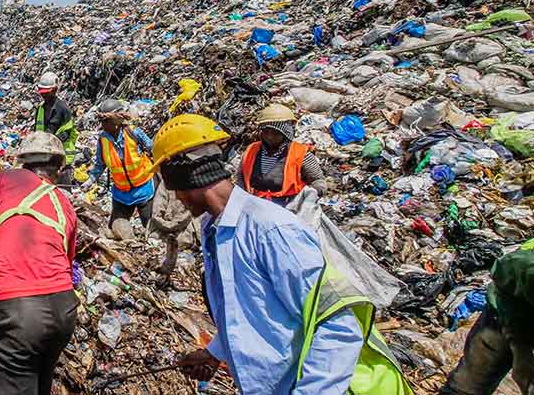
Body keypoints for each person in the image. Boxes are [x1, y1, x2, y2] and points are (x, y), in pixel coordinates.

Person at [150, 114, 412, 394]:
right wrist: (215, 353)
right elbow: (252, 311)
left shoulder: (271, 229)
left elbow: (339, 326)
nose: (176, 198)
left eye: (172, 187)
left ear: (188, 177)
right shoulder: (214, 229)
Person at [0, 132, 78, 395]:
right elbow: (68, 262)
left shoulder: (3, 179)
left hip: (17, 313)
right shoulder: (64, 203)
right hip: (64, 310)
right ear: (58, 168)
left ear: (22, 161)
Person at [441, 241, 534, 394]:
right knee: (468, 385)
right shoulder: (527, 266)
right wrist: (520, 349)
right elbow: (507, 270)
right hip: (508, 305)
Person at [84, 99, 157, 238]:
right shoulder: (103, 140)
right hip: (121, 193)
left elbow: (153, 149)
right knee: (115, 229)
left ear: (116, 121)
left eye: (106, 121)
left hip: (143, 188)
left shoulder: (134, 133)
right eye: (101, 121)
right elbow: (100, 164)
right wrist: (90, 180)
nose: (103, 125)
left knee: (150, 228)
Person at [235, 103, 328, 205]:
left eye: (275, 133)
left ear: (285, 133)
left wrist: (311, 195)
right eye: (266, 132)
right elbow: (241, 179)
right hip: (254, 203)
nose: (270, 137)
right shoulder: (252, 150)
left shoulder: (300, 153)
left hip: (289, 205)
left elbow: (318, 181)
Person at [33, 71, 79, 166]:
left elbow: (66, 134)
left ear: (54, 90)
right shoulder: (40, 108)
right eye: (42, 93)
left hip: (61, 156)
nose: (43, 95)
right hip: (45, 154)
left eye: (46, 93)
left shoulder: (63, 109)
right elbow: (37, 130)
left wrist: (49, 143)